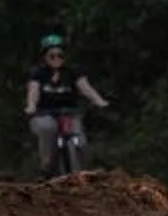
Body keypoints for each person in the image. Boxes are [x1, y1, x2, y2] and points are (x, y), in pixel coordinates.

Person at [23, 33, 114, 176]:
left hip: (70, 113)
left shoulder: (73, 72)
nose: (56, 59)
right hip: (44, 114)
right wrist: (31, 106)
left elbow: (85, 88)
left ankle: (81, 170)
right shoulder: (38, 73)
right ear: (45, 57)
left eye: (60, 55)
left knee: (80, 142)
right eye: (52, 56)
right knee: (47, 128)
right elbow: (33, 92)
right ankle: (47, 165)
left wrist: (99, 101)